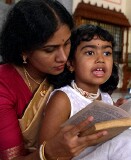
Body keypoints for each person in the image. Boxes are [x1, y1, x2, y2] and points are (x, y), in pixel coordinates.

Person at [0, 1, 108, 160]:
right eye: (49, 50)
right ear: (24, 50)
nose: (63, 57)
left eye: (67, 43)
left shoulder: (67, 69)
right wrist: (47, 153)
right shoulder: (4, 85)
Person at [39, 24, 122, 159]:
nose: (101, 59)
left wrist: (121, 112)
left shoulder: (106, 97)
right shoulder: (64, 99)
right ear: (71, 64)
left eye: (107, 53)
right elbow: (45, 150)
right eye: (90, 52)